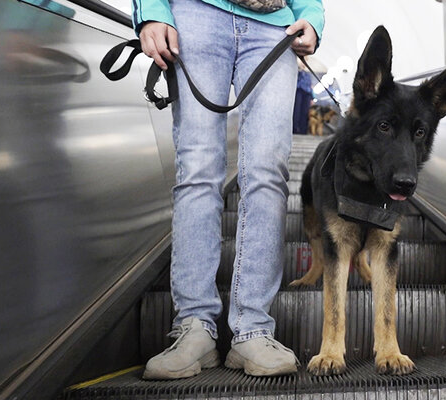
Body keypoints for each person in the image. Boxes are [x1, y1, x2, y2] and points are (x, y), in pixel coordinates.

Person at [132, 0, 324, 379]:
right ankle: (194, 326)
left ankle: (253, 328)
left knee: (269, 172)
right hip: (195, 13)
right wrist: (152, 10)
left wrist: (312, 15)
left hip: (275, 26)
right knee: (198, 168)